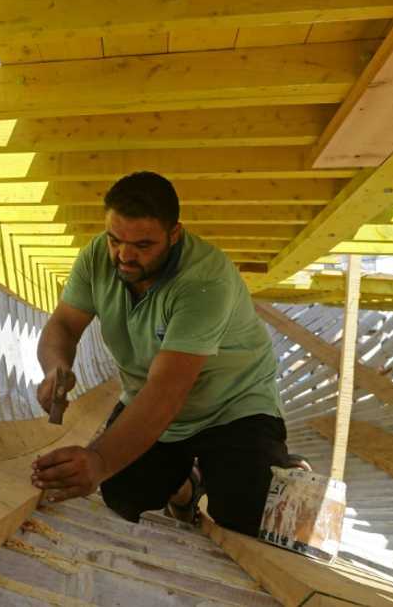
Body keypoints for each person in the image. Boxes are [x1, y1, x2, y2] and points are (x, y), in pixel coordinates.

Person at [30, 171, 291, 535]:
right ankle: (187, 489)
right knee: (123, 495)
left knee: (246, 513)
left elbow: (167, 391)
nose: (124, 255)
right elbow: (64, 326)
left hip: (232, 406)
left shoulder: (204, 281)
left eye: (143, 245)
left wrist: (100, 458)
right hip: (151, 399)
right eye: (115, 239)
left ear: (174, 235)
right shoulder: (96, 257)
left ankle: (279, 466)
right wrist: (55, 369)